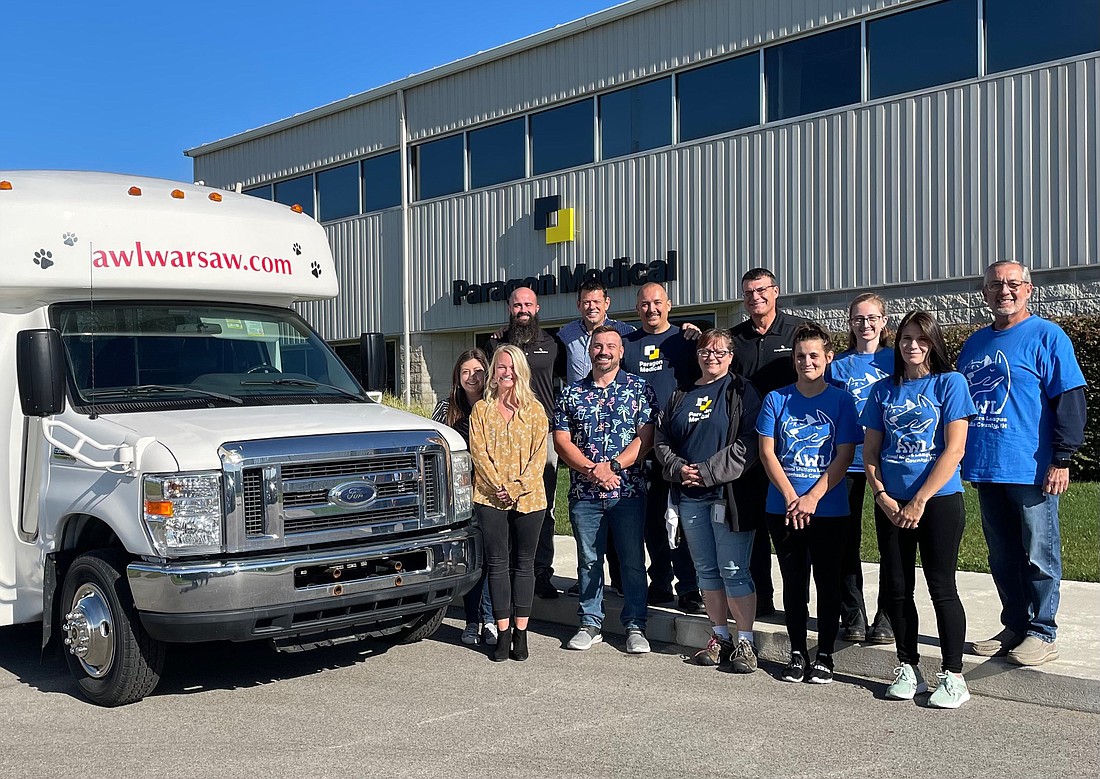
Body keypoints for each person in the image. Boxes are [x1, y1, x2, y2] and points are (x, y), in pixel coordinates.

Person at [959, 261, 1087, 667]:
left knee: (1038, 554)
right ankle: (1014, 625)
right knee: (1002, 555)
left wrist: (1062, 458)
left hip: (1030, 467)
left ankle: (1042, 631)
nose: (1005, 291)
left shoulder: (1047, 336)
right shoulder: (975, 343)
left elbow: (1069, 399)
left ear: (1029, 290)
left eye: (1013, 284)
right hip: (986, 465)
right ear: (984, 294)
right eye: (996, 285)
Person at [862, 310, 976, 709]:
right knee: (897, 588)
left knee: (942, 587)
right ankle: (907, 666)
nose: (913, 346)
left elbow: (954, 449)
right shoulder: (882, 391)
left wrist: (920, 500)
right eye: (907, 339)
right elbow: (871, 452)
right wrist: (881, 495)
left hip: (938, 501)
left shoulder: (950, 383)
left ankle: (953, 675)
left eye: (922, 339)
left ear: (933, 343)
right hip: (891, 505)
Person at [757, 323, 861, 684]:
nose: (807, 361)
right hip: (783, 507)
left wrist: (813, 497)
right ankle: (798, 652)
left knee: (827, 582)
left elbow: (845, 454)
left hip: (829, 509)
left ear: (828, 358)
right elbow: (768, 453)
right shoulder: (776, 399)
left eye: (814, 355)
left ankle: (827, 654)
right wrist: (791, 497)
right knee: (794, 581)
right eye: (800, 356)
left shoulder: (841, 399)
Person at [654, 329, 762, 673]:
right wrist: (678, 469)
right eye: (705, 351)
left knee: (734, 570)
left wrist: (706, 471)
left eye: (719, 352)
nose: (711, 357)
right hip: (689, 498)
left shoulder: (741, 391)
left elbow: (750, 443)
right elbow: (662, 439)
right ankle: (719, 637)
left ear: (731, 356)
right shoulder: (681, 394)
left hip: (727, 496)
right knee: (706, 571)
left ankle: (745, 641)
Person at [554, 326, 657, 654]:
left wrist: (612, 467)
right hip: (585, 495)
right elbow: (561, 439)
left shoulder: (640, 389)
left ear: (621, 351)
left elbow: (646, 438)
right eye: (598, 346)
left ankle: (636, 625)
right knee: (588, 561)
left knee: (631, 562)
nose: (604, 351)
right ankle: (590, 622)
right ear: (589, 350)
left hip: (627, 491)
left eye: (611, 346)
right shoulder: (571, 393)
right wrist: (590, 470)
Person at [730, 268, 810, 617]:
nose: (755, 297)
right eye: (748, 292)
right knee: (755, 525)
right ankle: (762, 595)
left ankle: (804, 604)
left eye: (761, 290)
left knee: (796, 525)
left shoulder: (797, 332)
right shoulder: (735, 338)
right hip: (747, 447)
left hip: (792, 446)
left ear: (776, 291)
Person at [623, 282, 705, 614]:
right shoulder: (627, 345)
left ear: (669, 305)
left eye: (657, 303)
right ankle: (660, 582)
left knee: (683, 520)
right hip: (641, 447)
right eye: (644, 304)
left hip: (679, 446)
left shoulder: (685, 341)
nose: (651, 309)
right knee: (652, 521)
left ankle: (689, 587)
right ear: (637, 307)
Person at [468, 345, 549, 662]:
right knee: (498, 565)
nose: (506, 372)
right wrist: (498, 487)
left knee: (524, 565)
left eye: (512, 367)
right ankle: (502, 634)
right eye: (501, 367)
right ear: (493, 372)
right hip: (489, 497)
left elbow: (538, 457)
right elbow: (479, 452)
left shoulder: (535, 411)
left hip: (529, 498)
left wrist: (516, 488)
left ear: (521, 371)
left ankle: (521, 633)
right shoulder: (481, 411)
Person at [825, 293, 896, 645]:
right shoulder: (837, 365)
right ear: (849, 323)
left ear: (884, 322)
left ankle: (887, 615)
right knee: (844, 541)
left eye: (872, 318)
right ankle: (852, 614)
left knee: (891, 542)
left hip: (888, 464)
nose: (865, 325)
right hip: (847, 463)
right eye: (857, 319)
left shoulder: (896, 360)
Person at [487, 286, 563, 601]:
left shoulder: (554, 344)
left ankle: (540, 573)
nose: (523, 309)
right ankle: (509, 571)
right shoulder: (495, 343)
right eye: (517, 304)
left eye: (528, 304)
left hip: (542, 434)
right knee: (504, 503)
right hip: (504, 433)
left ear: (537, 307)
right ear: (509, 307)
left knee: (541, 506)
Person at [432, 349, 495, 647]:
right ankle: (472, 621)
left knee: (494, 558)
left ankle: (492, 619)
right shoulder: (445, 409)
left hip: (491, 494)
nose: (473, 377)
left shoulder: (496, 407)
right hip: (461, 497)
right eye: (466, 372)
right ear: (458, 376)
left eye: (478, 371)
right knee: (473, 560)